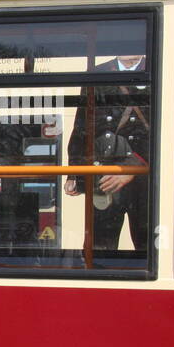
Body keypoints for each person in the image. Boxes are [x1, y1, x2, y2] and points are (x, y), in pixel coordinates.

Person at [65, 55, 150, 251]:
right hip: (104, 171)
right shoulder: (98, 74)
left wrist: (134, 169)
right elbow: (82, 127)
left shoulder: (159, 68)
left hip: (145, 178)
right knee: (101, 242)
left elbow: (167, 131)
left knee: (147, 242)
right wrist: (75, 173)